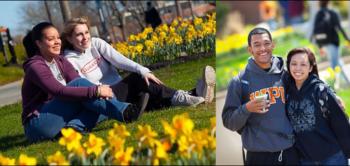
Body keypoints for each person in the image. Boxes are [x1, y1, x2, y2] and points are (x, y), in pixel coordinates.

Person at [21, 22, 144, 142]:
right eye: (51, 39)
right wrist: (96, 90)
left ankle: (74, 127)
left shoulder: (60, 61)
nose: (57, 41)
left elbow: (76, 83)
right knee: (86, 90)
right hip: (38, 124)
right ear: (39, 43)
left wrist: (97, 92)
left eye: (58, 38)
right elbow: (58, 91)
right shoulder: (35, 66)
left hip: (58, 116)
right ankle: (126, 111)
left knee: (93, 102)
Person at [61, 17, 215, 111]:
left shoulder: (96, 43)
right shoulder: (69, 60)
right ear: (69, 38)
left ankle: (193, 95)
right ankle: (185, 96)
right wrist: (139, 75)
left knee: (146, 94)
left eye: (86, 32)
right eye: (79, 34)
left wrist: (142, 69)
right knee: (137, 80)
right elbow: (82, 86)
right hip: (106, 97)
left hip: (120, 89)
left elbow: (119, 60)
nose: (85, 37)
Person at [222, 27, 299, 165]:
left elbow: (308, 89)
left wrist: (331, 97)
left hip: (290, 152)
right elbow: (229, 122)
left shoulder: (286, 75)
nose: (263, 48)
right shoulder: (239, 81)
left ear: (273, 45)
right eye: (257, 45)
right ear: (250, 49)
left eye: (266, 43)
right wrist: (246, 108)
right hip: (258, 157)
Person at [284, 47, 350, 165]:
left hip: (333, 157)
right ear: (288, 66)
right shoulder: (287, 93)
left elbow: (341, 124)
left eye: (303, 64)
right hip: (305, 160)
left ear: (310, 68)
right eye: (293, 64)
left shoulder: (320, 91)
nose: (298, 68)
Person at [312, 0, 350, 86]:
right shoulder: (333, 13)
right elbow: (340, 28)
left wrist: (320, 46)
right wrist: (347, 39)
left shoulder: (318, 14)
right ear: (328, 3)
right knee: (334, 64)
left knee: (337, 62)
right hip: (334, 42)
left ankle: (343, 82)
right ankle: (334, 85)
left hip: (324, 42)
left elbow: (316, 31)